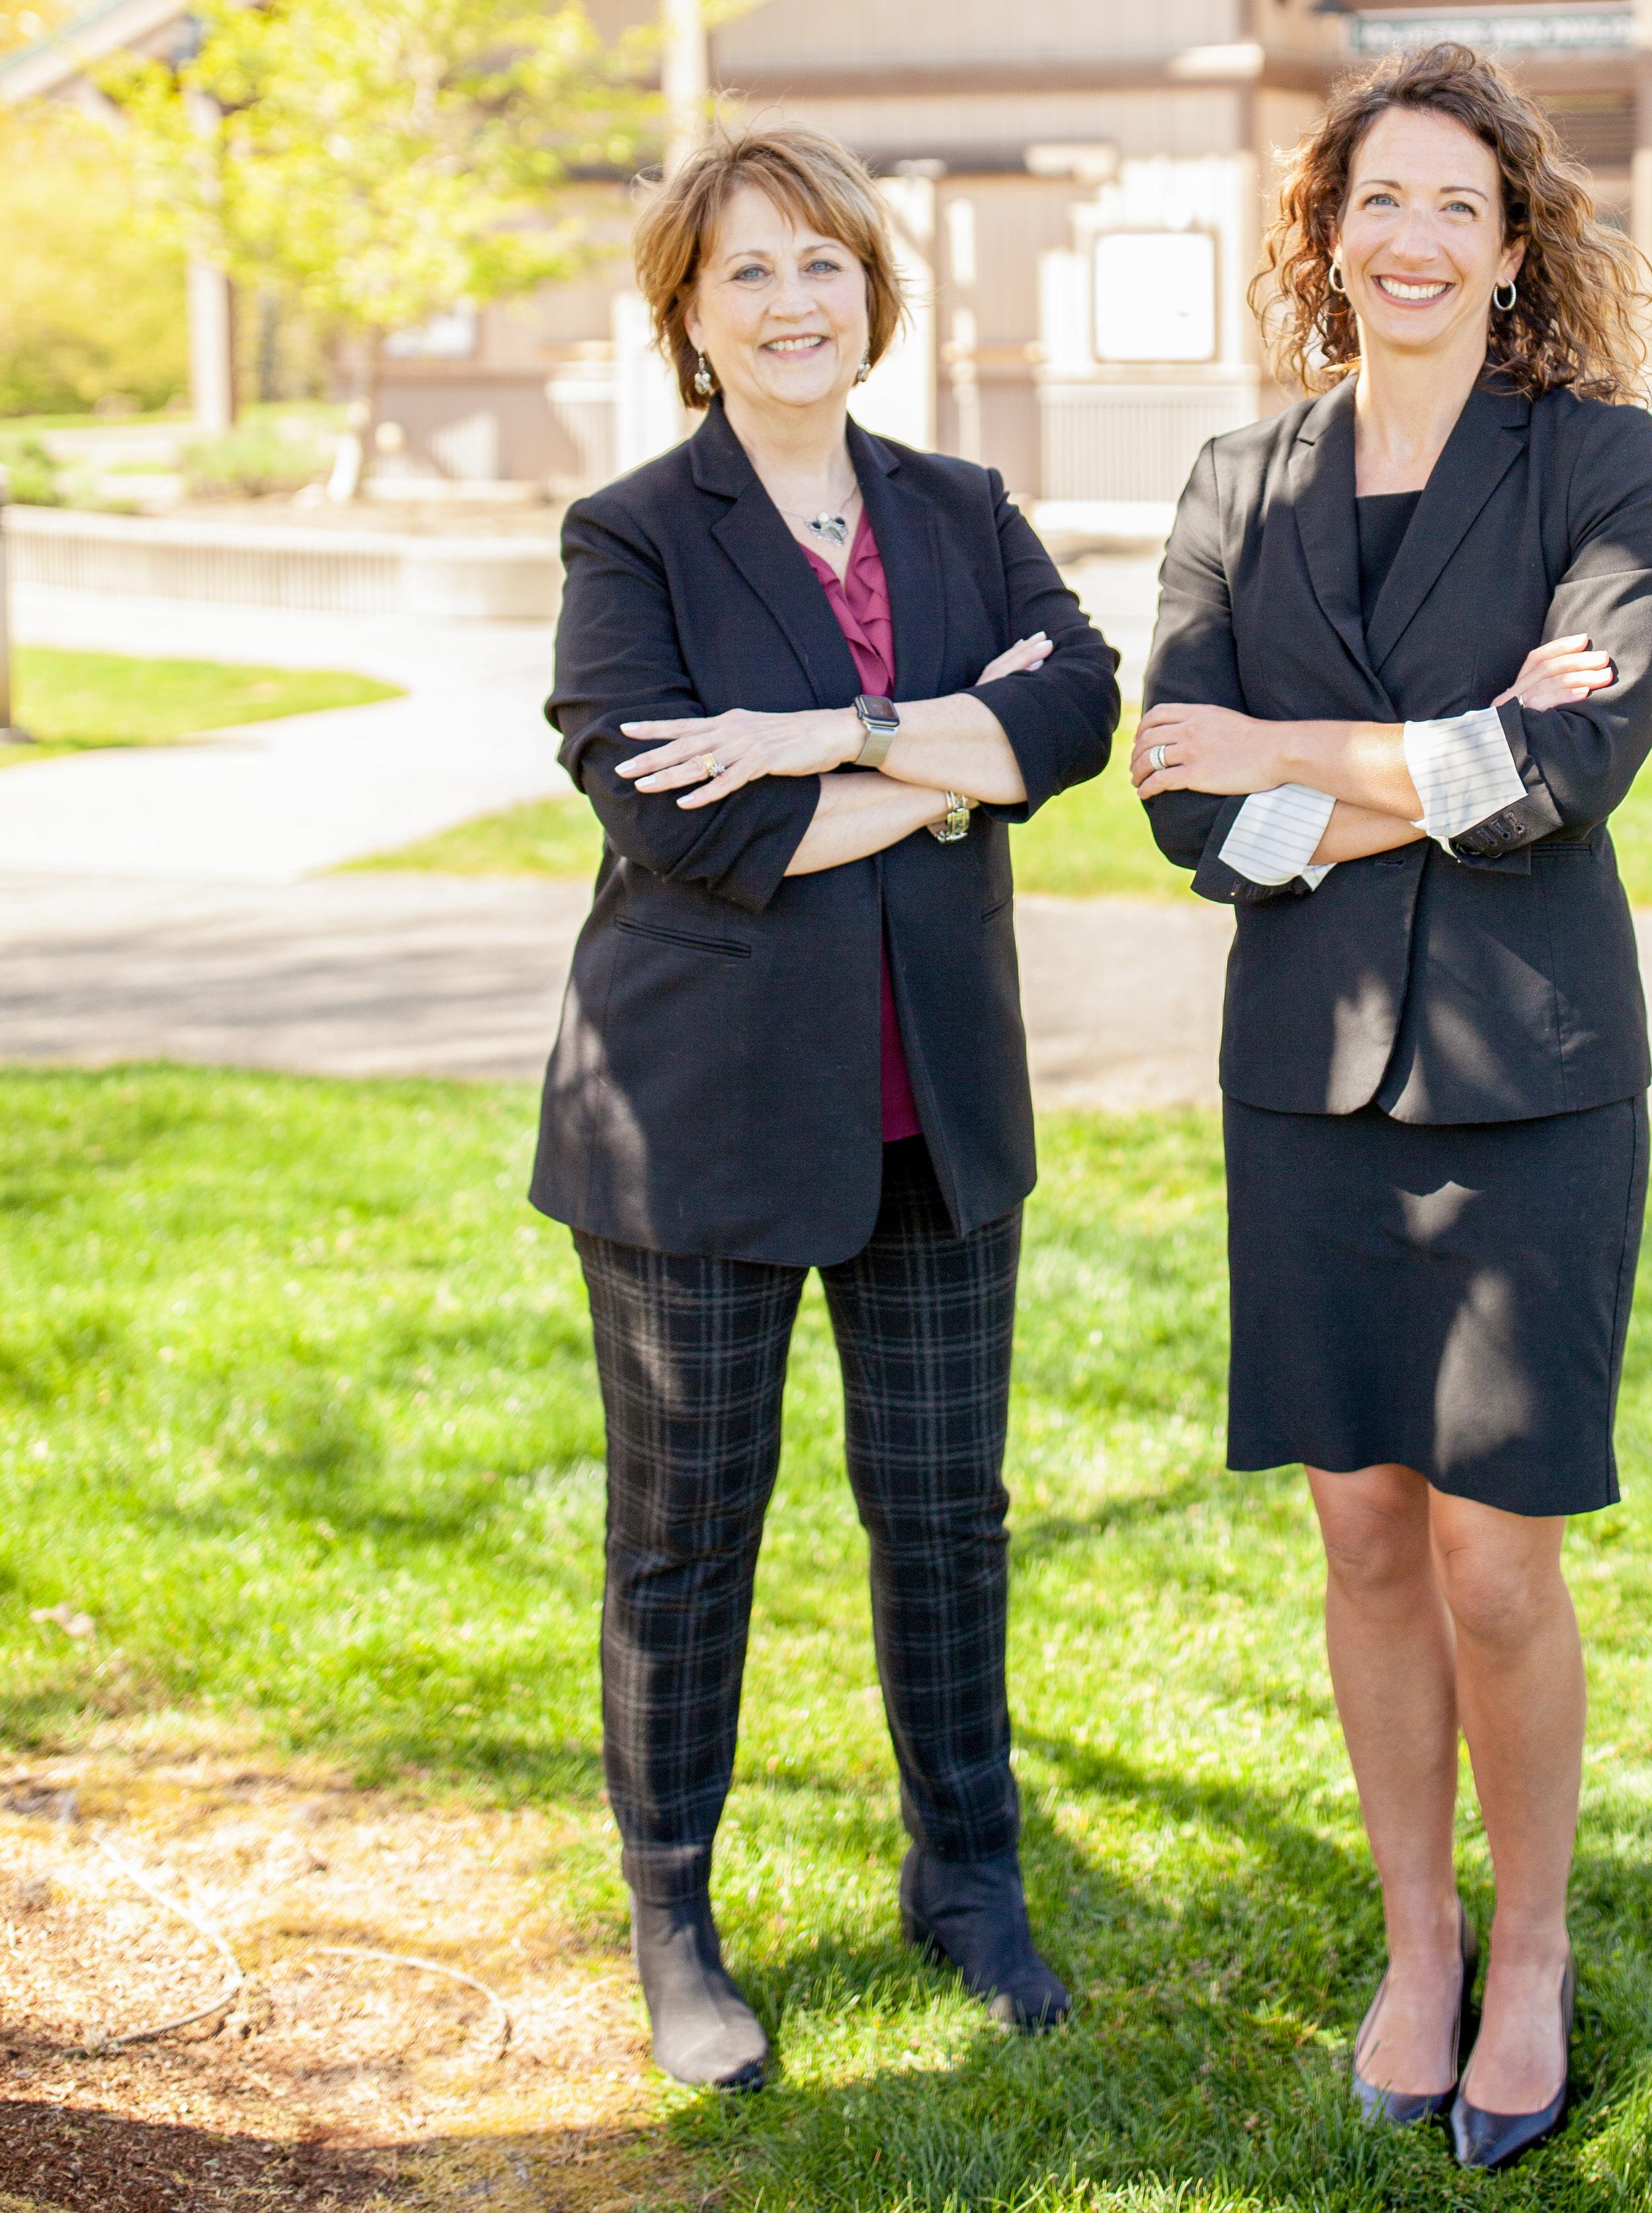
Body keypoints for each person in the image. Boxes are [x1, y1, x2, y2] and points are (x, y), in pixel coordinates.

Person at [1130, 41, 1652, 2173]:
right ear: (1325, 231)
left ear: (1513, 242)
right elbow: (1182, 810)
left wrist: (1285, 748)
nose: (1416, 239)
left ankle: (1529, 1956)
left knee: (1495, 1564)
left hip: (1527, 1082)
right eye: (1380, 200)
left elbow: (1567, 771)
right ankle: (1419, 1946)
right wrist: (1438, 759)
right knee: (1361, 1531)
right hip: (1305, 1081)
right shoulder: (1235, 480)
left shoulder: (1596, 465)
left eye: (1460, 203)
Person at [533, 125, 1119, 2089]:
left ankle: (968, 1878)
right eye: (749, 272)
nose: (794, 302)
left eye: (825, 264)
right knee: (687, 1532)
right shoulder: (631, 536)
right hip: (692, 1118)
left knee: (946, 1517)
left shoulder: (957, 507)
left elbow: (1078, 711)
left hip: (932, 1108)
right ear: (689, 318)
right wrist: (953, 761)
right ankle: (674, 1918)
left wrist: (826, 742)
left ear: (876, 292)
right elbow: (676, 819)